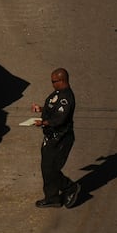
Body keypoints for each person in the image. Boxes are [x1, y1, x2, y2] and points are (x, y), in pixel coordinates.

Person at [31, 67, 81, 208]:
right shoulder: (58, 93)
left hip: (61, 139)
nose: (52, 84)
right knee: (46, 168)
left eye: (54, 81)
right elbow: (53, 108)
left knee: (52, 169)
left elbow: (60, 119)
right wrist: (41, 109)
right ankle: (52, 197)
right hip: (50, 137)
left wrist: (43, 122)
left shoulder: (67, 98)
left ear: (62, 80)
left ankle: (70, 187)